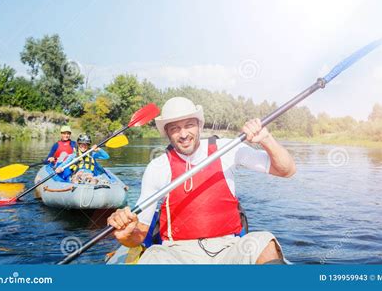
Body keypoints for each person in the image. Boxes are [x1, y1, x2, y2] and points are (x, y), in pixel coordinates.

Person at [107, 97, 296, 264]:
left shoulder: (227, 149)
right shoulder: (158, 167)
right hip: (177, 253)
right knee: (152, 256)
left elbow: (286, 170)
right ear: (167, 133)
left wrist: (266, 139)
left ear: (199, 125)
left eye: (189, 125)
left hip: (228, 248)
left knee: (263, 241)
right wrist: (126, 237)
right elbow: (138, 234)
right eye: (175, 128)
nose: (183, 134)